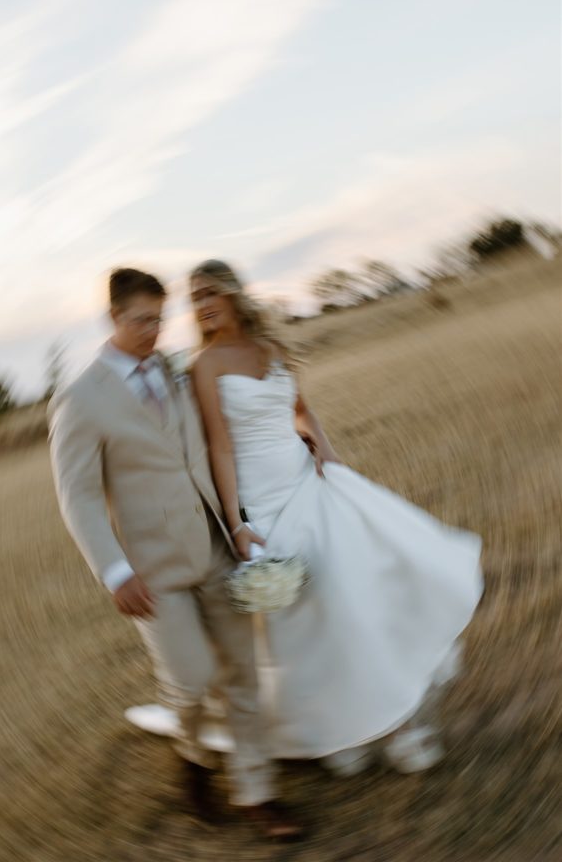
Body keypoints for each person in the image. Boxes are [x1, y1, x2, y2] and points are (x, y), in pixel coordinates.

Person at [128, 259, 483, 773]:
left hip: (309, 486)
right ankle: (339, 729)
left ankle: (401, 724)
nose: (202, 304)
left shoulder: (269, 349)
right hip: (263, 504)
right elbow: (220, 449)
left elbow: (301, 411)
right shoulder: (204, 364)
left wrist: (329, 456)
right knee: (309, 623)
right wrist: (239, 522)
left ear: (232, 294)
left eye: (209, 292)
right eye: (194, 298)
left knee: (359, 598)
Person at [48, 267, 301, 841]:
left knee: (242, 674)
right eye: (140, 321)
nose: (153, 332)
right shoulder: (80, 400)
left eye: (159, 320)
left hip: (214, 548)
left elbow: (216, 439)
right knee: (190, 679)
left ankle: (259, 795)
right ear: (113, 319)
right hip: (152, 571)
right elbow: (78, 497)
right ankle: (192, 761)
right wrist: (114, 571)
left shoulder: (174, 370)